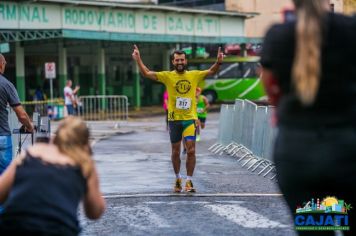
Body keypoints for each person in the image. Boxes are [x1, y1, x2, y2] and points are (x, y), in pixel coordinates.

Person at [260, 1, 356, 235]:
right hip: (347, 150)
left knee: (314, 230)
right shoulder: (350, 29)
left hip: (297, 154)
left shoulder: (278, 36)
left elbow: (269, 85)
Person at [132, 45, 223, 193]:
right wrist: (138, 59)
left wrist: (218, 62)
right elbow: (147, 73)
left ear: (185, 61)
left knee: (191, 150)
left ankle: (189, 180)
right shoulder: (167, 76)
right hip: (174, 120)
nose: (179, 62)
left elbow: (211, 71)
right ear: (173, 62)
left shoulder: (194, 75)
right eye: (177, 60)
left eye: (182, 59)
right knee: (175, 152)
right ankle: (177, 178)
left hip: (190, 119)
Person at [0, 116, 106, 235]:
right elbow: (95, 212)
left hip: (14, 225)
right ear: (85, 143)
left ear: (56, 137)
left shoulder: (33, 152)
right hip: (58, 228)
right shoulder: (84, 163)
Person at [0, 53, 34, 175]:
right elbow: (22, 115)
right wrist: (29, 126)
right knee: (4, 177)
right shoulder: (6, 84)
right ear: (1, 64)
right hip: (2, 137)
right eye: (4, 64)